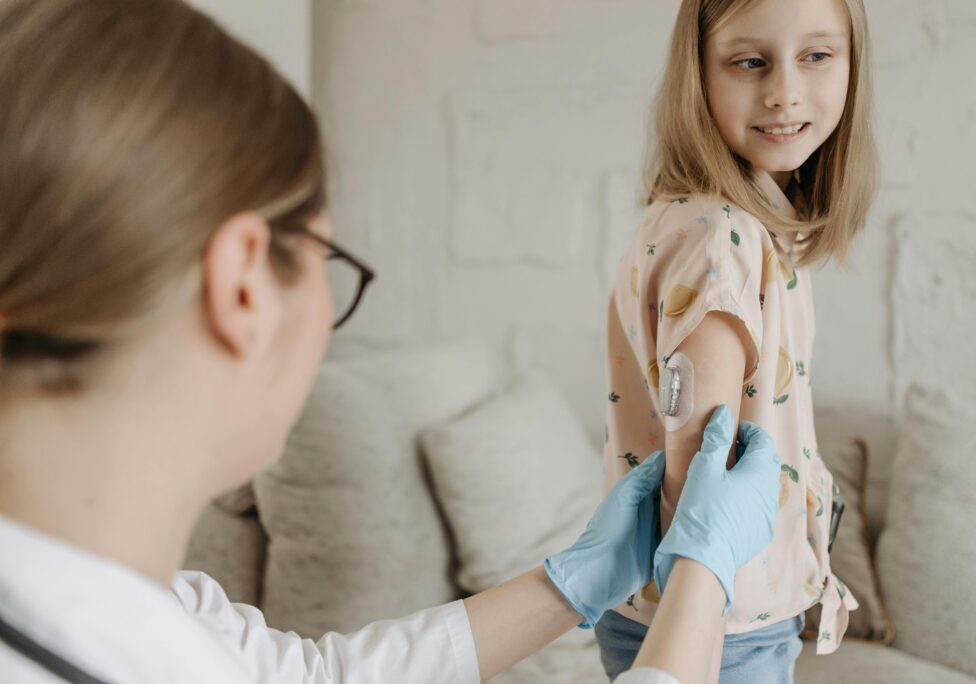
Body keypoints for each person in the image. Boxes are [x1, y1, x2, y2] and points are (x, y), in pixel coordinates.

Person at [0, 2, 780, 683]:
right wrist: (703, 579)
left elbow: (310, 678)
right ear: (242, 287)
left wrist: (569, 584)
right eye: (328, 263)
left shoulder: (129, 594)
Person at [598, 0, 877, 681]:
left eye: (816, 56)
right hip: (717, 620)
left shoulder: (727, 225)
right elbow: (705, 470)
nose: (784, 92)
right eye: (749, 62)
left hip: (687, 608)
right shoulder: (721, 241)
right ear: (698, 76)